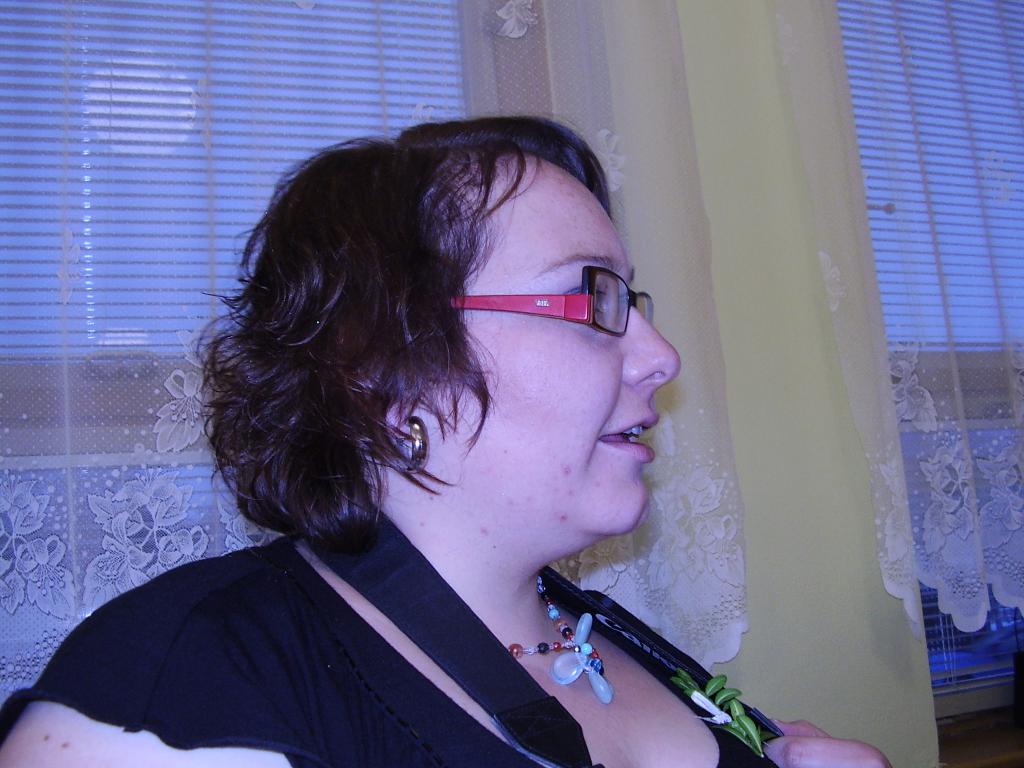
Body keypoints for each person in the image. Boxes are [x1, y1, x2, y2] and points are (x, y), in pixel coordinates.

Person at [0, 117, 889, 768]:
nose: (661, 357)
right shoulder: (175, 698)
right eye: (593, 298)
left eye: (634, 300)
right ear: (382, 367)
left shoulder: (601, 632)